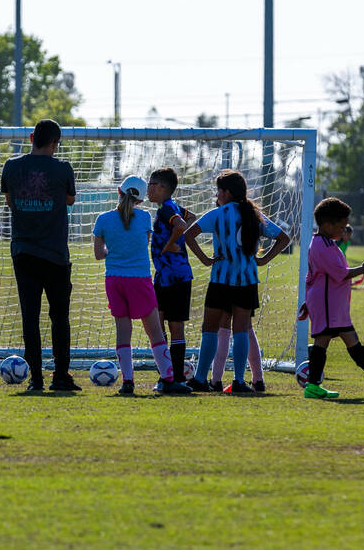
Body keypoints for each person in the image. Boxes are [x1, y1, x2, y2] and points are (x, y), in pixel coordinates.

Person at [181, 169, 291, 394]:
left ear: (227, 192)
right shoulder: (254, 214)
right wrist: (262, 260)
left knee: (209, 328)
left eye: (219, 190)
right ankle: (240, 381)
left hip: (221, 279)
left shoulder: (217, 214)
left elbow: (188, 235)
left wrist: (205, 259)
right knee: (241, 329)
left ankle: (201, 378)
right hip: (247, 280)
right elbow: (283, 238)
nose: (217, 195)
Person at [1, 119, 79, 392]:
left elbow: (10, 199)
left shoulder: (11, 166)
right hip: (56, 253)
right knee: (59, 317)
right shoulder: (63, 169)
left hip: (23, 251)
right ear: (55, 143)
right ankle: (61, 376)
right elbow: (69, 200)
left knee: (29, 316)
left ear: (32, 136)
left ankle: (35, 377)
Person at [299, 197, 364, 399]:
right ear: (327, 225)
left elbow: (314, 277)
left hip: (332, 304)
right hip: (327, 303)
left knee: (352, 340)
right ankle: (312, 386)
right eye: (342, 226)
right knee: (322, 341)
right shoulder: (321, 245)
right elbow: (340, 273)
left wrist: (307, 300)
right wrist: (362, 269)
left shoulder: (328, 242)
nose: (344, 231)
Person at [92, 175, 181, 396]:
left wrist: (112, 250)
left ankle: (128, 382)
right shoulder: (144, 218)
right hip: (139, 279)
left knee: (123, 331)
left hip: (114, 280)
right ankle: (168, 379)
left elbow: (98, 254)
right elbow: (144, 243)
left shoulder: (102, 219)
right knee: (154, 332)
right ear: (140, 200)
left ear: (119, 191)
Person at [146, 167, 195, 394]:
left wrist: (168, 246)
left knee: (173, 327)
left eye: (152, 183)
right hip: (166, 276)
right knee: (161, 324)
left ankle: (174, 378)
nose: (149, 188)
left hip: (174, 276)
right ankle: (169, 376)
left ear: (163, 187)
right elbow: (191, 218)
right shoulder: (170, 207)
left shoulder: (167, 208)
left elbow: (182, 225)